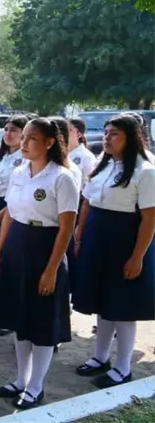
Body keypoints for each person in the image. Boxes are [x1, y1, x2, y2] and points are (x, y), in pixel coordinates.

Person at [0, 118, 79, 409]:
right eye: (24, 137)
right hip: (18, 245)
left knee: (41, 322)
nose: (24, 143)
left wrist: (52, 269)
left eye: (32, 138)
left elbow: (66, 227)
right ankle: (20, 379)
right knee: (21, 319)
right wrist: (0, 253)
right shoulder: (19, 172)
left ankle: (36, 386)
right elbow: (10, 216)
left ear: (50, 142)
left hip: (45, 248)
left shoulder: (61, 177)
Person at [73, 114, 155, 389]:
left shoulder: (145, 171)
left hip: (124, 240)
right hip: (98, 238)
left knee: (122, 306)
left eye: (114, 134)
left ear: (131, 137)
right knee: (102, 302)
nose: (106, 138)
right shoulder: (102, 163)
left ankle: (123, 367)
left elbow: (149, 219)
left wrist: (137, 257)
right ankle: (100, 357)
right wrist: (79, 234)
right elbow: (87, 202)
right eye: (106, 132)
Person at [68, 117, 98, 184]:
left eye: (69, 130)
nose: (64, 133)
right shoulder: (59, 154)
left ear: (79, 134)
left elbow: (89, 184)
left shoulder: (87, 157)